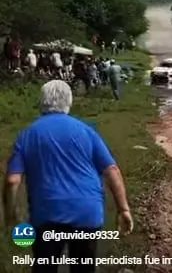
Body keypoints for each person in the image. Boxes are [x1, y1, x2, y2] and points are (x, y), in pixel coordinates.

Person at [3, 81, 134, 273]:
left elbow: (12, 180)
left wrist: (11, 215)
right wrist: (123, 209)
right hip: (86, 213)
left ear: (41, 101)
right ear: (69, 102)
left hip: (46, 215)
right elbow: (111, 169)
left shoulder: (27, 134)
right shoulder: (87, 131)